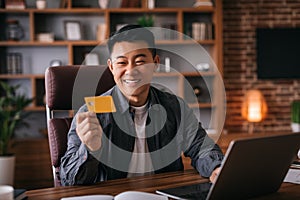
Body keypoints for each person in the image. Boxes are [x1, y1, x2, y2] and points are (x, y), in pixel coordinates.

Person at [60, 24, 224, 186]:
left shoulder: (175, 107)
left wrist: (216, 168)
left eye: (139, 62)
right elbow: (70, 180)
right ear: (111, 67)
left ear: (155, 63)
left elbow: (201, 147)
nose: (130, 71)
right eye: (122, 63)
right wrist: (90, 149)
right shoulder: (91, 112)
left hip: (162, 195)